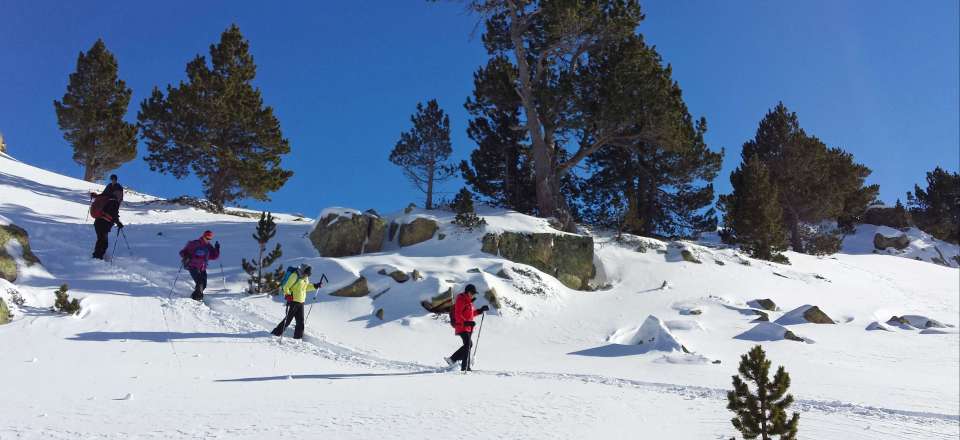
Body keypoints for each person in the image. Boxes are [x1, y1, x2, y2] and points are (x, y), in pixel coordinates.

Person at [445, 284, 489, 372]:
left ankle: (455, 360)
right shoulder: (461, 299)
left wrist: (480, 310)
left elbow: (472, 314)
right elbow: (458, 314)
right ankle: (463, 366)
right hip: (461, 326)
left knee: (468, 345)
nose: (473, 295)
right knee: (468, 344)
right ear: (468, 292)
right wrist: (465, 322)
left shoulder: (469, 302)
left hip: (468, 327)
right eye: (472, 293)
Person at [271, 264, 323, 339]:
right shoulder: (295, 276)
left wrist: (315, 286)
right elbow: (286, 287)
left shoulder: (306, 278)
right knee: (288, 320)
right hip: (293, 301)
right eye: (306, 273)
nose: (307, 275)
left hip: (301, 301)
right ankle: (275, 333)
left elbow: (305, 287)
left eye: (308, 274)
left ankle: (298, 337)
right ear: (303, 271)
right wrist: (288, 295)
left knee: (300, 322)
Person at [178, 230, 220, 301]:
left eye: (210, 239)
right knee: (199, 282)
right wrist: (186, 256)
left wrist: (217, 248)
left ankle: (196, 295)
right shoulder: (194, 243)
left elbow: (214, 256)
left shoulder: (209, 246)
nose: (208, 240)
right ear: (203, 236)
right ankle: (196, 298)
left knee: (204, 284)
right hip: (192, 266)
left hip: (202, 268)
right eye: (207, 238)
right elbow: (182, 252)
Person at [91, 193, 122, 260]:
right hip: (104, 223)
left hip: (98, 222)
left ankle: (97, 256)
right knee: (103, 242)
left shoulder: (108, 200)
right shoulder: (114, 202)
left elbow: (111, 213)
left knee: (101, 240)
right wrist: (118, 223)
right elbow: (113, 213)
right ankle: (97, 257)